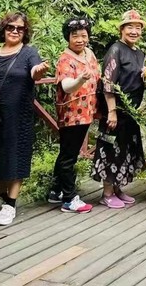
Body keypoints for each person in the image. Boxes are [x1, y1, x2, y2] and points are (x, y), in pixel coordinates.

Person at [0, 12, 49, 226]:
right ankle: (0, 199)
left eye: (20, 28)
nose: (15, 31)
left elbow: (35, 71)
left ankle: (11, 204)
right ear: (3, 29)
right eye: (11, 27)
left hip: (20, 115)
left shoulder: (29, 53)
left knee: (17, 156)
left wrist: (40, 70)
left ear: (25, 32)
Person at [92, 9, 146, 208]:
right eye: (130, 27)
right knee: (110, 149)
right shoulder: (115, 50)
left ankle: (117, 189)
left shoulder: (140, 54)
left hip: (131, 112)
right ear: (122, 29)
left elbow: (139, 81)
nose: (134, 31)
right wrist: (112, 111)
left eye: (138, 28)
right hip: (115, 110)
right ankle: (106, 193)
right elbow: (108, 82)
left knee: (125, 150)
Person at [47, 17, 99, 214]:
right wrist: (80, 79)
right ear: (67, 37)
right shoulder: (65, 59)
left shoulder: (89, 54)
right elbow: (67, 86)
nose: (80, 40)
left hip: (87, 111)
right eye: (75, 36)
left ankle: (56, 191)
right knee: (69, 156)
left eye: (83, 35)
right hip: (71, 114)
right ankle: (69, 199)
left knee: (67, 152)